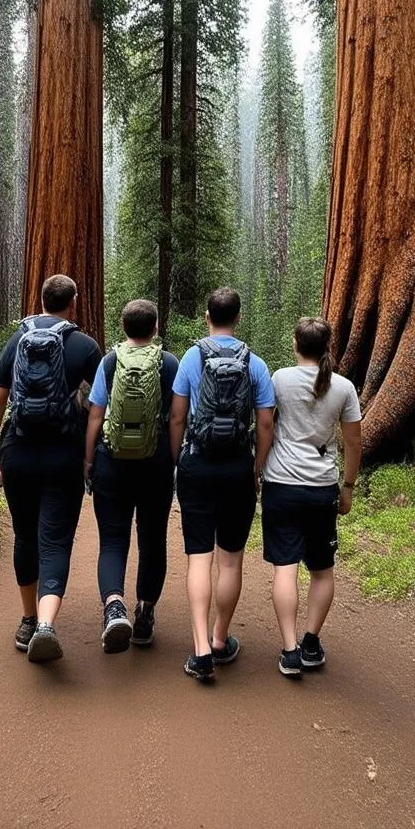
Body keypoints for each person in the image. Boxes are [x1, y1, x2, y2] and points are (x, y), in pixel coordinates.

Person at [0, 274, 102, 663]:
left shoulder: (18, 340)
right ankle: (48, 625)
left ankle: (28, 620)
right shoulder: (84, 346)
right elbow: (101, 405)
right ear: (74, 303)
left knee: (24, 535)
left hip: (18, 450)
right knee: (55, 540)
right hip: (62, 455)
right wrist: (90, 455)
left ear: (42, 301)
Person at [169, 287, 275, 681]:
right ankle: (219, 638)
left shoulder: (192, 358)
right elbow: (265, 422)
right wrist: (257, 467)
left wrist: (178, 458)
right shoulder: (256, 364)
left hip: (197, 465)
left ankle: (198, 651)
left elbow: (177, 417)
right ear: (238, 317)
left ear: (206, 316)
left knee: (199, 557)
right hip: (237, 469)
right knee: (230, 558)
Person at [262, 317, 362, 677]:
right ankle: (310, 642)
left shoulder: (279, 379)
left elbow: (266, 424)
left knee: (285, 569)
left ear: (295, 343)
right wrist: (348, 487)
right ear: (328, 347)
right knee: (321, 571)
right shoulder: (344, 388)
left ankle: (289, 650)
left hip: (281, 485)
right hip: (322, 489)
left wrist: (257, 468)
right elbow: (352, 441)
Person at [84, 300, 180, 653]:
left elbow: (96, 415)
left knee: (112, 540)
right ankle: (144, 616)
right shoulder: (170, 363)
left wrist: (89, 460)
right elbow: (176, 418)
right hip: (154, 464)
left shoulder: (110, 362)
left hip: (112, 462)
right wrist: (171, 459)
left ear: (123, 328)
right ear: (155, 328)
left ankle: (113, 607)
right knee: (153, 539)